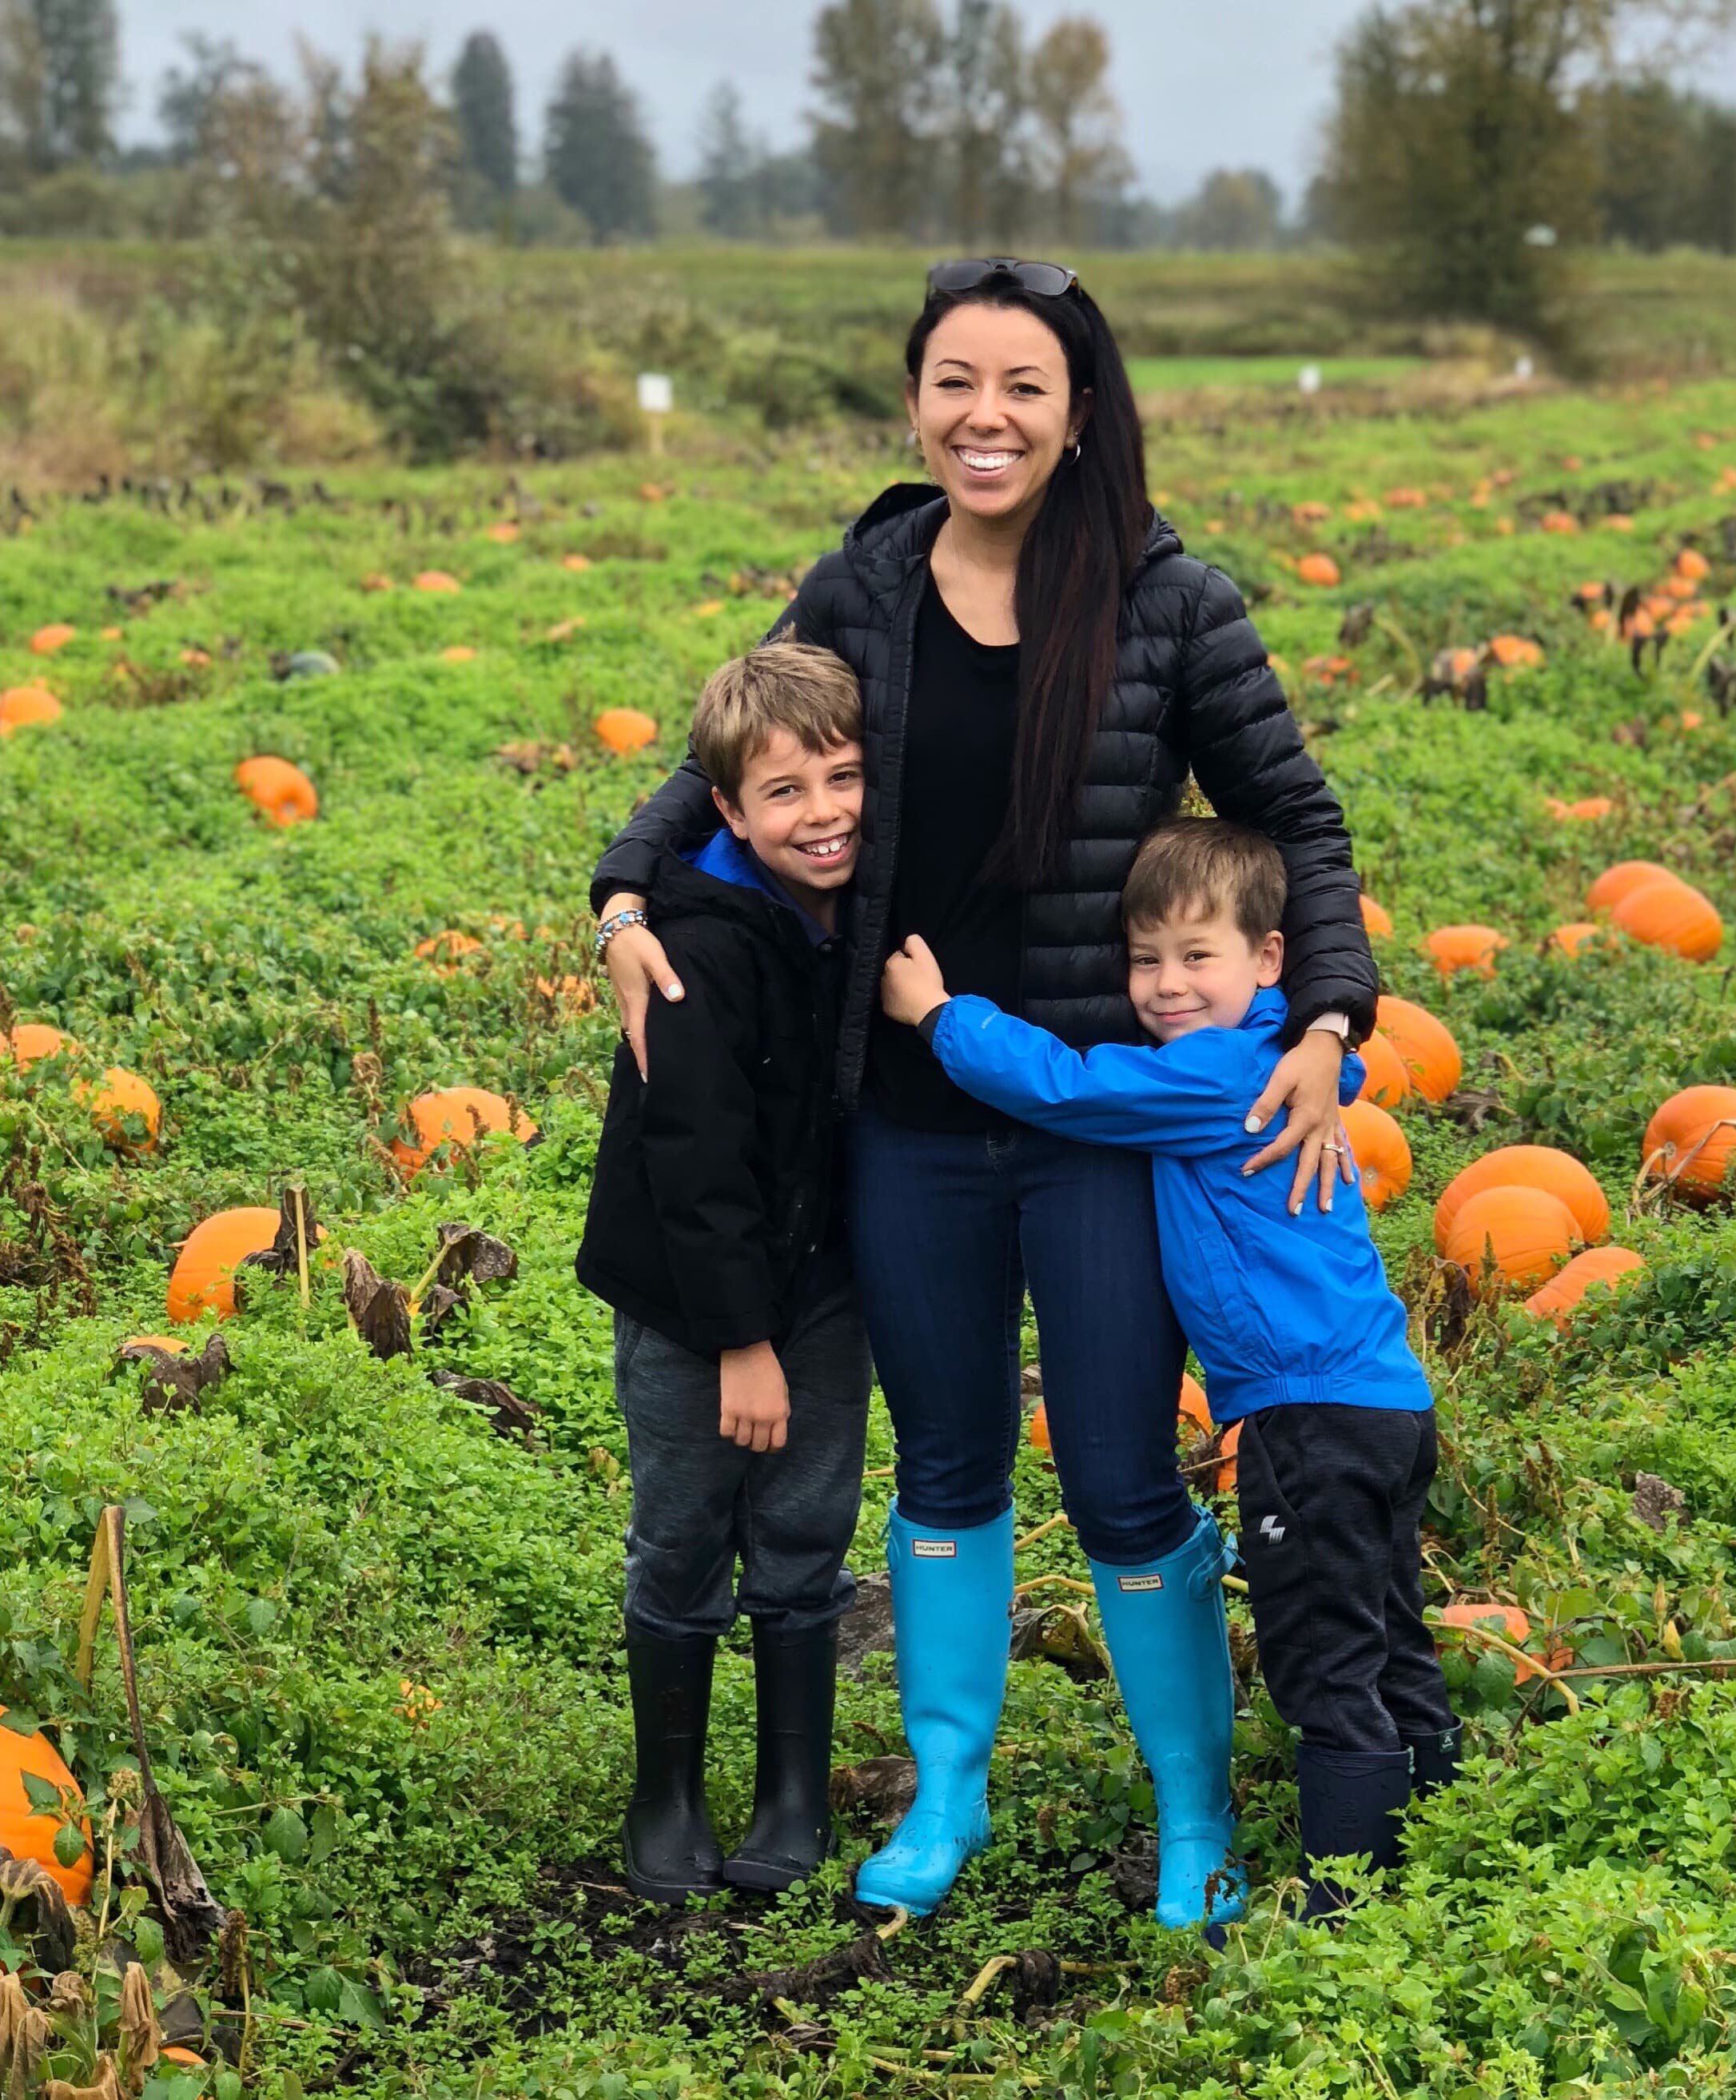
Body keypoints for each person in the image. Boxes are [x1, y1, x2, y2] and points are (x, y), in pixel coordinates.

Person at [588, 257, 1379, 1931]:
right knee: (945, 1466)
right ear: (913, 402)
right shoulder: (863, 586)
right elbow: (712, 766)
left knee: (1118, 1475)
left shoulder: (1175, 603)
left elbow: (1300, 825)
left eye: (1025, 386)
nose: (987, 417)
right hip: (913, 1123)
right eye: (956, 382)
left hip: (1095, 1123)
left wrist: (1325, 1018)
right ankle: (946, 1794)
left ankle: (1193, 1812)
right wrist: (622, 895)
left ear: (1082, 413)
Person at [880, 818, 1461, 1916]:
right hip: (1383, 1403)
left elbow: (1064, 1086)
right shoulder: (1274, 1047)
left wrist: (944, 1017)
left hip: (1307, 1417)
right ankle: (1442, 1818)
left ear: (1270, 961)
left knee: (1322, 1659)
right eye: (1145, 960)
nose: (1166, 985)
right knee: (1389, 1632)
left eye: (1199, 957)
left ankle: (1353, 1904)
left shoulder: (1213, 1074)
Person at [575, 641, 874, 1904]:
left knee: (806, 1529)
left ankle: (793, 1794)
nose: (823, 815)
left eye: (844, 780)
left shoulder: (861, 912)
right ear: (729, 810)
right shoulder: (695, 943)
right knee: (685, 1533)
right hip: (694, 1305)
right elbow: (695, 1168)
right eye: (786, 794)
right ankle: (668, 1795)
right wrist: (741, 1342)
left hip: (820, 1291)